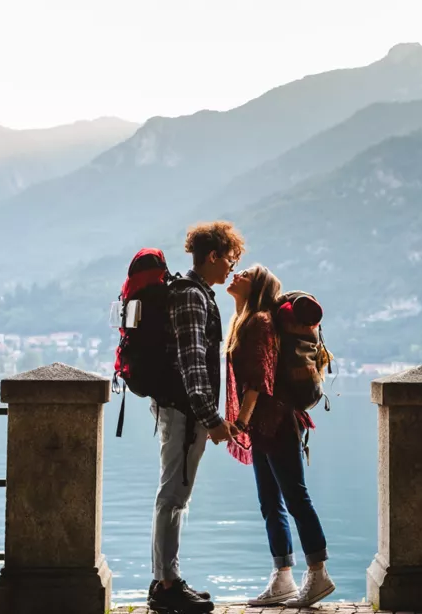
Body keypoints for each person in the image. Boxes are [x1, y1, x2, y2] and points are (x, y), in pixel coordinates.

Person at [222, 264, 335, 608]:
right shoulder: (247, 320)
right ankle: (282, 576)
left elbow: (260, 378)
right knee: (270, 502)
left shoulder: (259, 322)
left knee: (294, 496)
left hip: (277, 421)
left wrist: (240, 422)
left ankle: (318, 574)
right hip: (264, 424)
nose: (235, 275)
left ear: (257, 286)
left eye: (245, 273)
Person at [147, 221, 244, 614]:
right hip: (185, 412)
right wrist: (211, 419)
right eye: (230, 260)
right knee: (173, 495)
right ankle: (166, 586)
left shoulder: (198, 293)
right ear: (213, 256)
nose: (232, 269)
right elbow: (193, 365)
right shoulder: (191, 297)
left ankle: (166, 578)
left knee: (175, 495)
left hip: (183, 410)